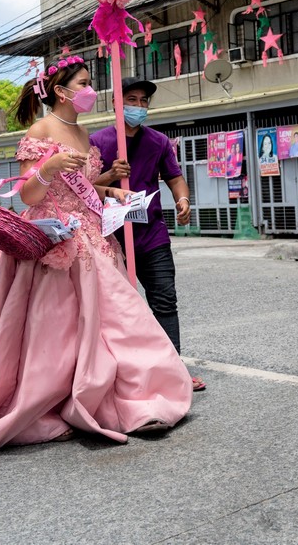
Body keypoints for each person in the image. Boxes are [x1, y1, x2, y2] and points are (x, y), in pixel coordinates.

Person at [0, 59, 191, 464]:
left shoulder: (82, 131)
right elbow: (28, 195)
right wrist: (49, 167)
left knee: (117, 324)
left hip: (94, 240)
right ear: (62, 91)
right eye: (85, 83)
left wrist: (109, 189)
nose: (91, 89)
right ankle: (46, 404)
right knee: (53, 335)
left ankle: (134, 398)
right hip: (54, 240)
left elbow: (83, 187)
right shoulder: (40, 130)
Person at [91, 77, 205, 393]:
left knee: (165, 300)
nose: (139, 106)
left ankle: (174, 371)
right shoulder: (97, 142)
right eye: (132, 100)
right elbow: (83, 188)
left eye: (144, 101)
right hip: (111, 235)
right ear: (117, 103)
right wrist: (111, 175)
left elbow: (175, 178)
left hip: (151, 234)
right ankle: (126, 374)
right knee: (118, 308)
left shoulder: (158, 142)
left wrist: (183, 200)